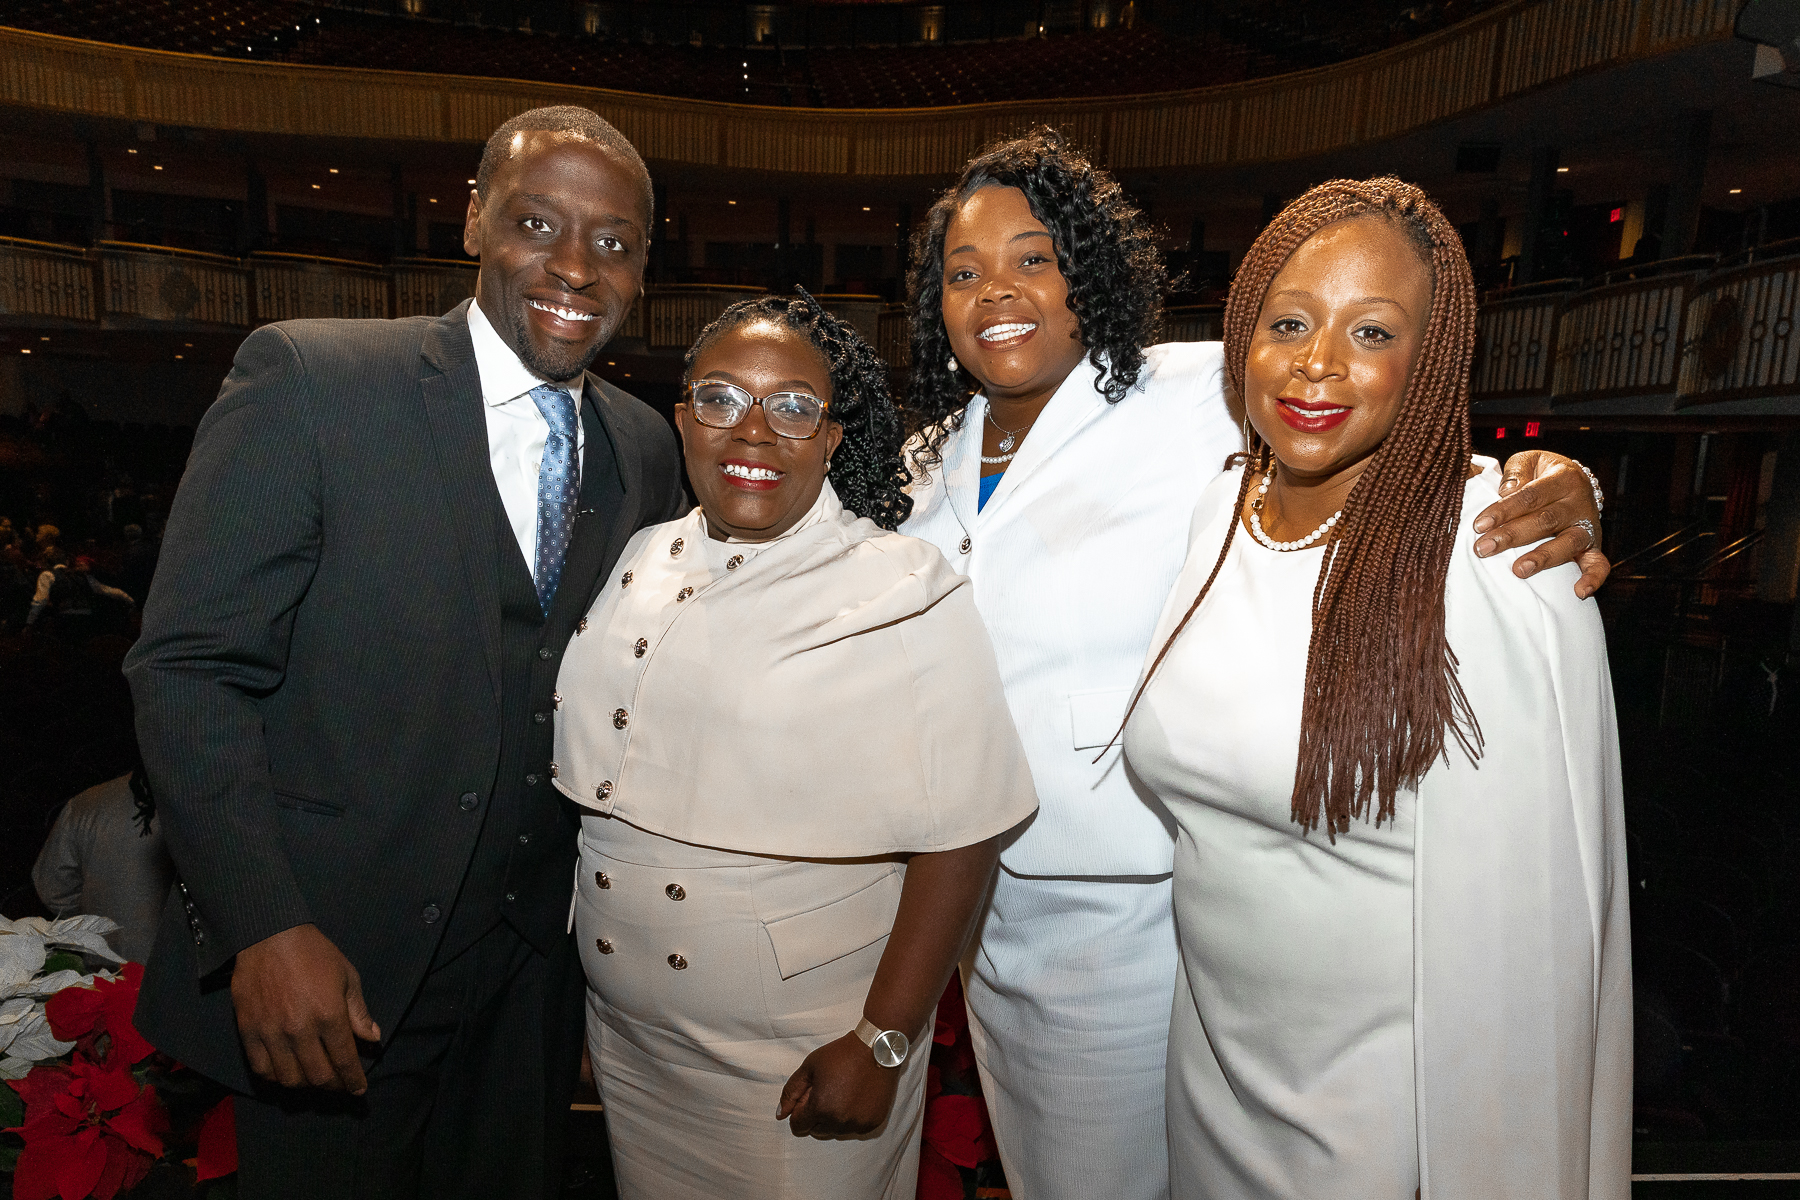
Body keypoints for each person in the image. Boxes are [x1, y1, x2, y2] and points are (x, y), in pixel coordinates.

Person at [897, 129, 1614, 1200]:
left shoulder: (1188, 393)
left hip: (1138, 928)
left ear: (1089, 272)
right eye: (964, 270)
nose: (997, 288)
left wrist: (1563, 480)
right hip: (1003, 926)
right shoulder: (927, 464)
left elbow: (1398, 436)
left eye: (1035, 257)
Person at [123, 106, 684, 1198]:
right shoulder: (313, 383)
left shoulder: (647, 444)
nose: (576, 265)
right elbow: (188, 669)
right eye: (537, 222)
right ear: (472, 220)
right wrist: (263, 927)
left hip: (528, 990)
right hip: (333, 976)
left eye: (613, 241)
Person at [1122, 177, 1629, 1198]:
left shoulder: (1494, 554)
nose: (1317, 363)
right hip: (1216, 1074)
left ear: (1432, 360)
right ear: (1241, 338)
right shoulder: (1219, 507)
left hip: (1395, 1109)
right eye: (1291, 322)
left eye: (1373, 332)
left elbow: (1543, 930)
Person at [552, 292, 1036, 1198]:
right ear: (684, 417)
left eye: (794, 407)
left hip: (800, 1052)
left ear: (832, 440)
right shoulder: (640, 556)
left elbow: (963, 834)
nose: (756, 431)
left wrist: (884, 1041)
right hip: (630, 1037)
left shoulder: (899, 584)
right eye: (724, 399)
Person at [33, 765, 175, 964]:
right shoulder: (208, 803)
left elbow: (53, 890)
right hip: (187, 973)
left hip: (107, 967)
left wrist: (101, 921)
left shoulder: (86, 804)